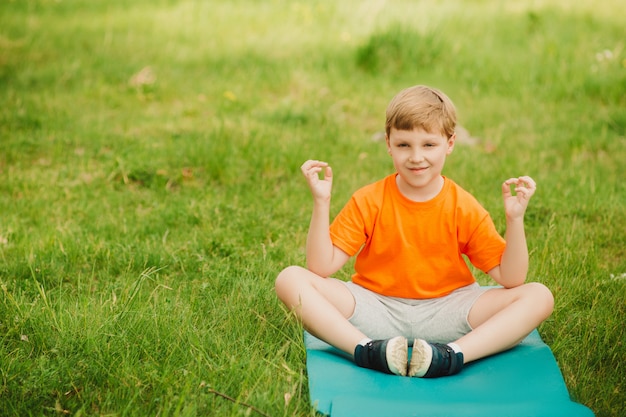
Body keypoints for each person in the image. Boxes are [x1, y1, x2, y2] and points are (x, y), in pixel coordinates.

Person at [275, 85, 554, 378]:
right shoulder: (369, 199)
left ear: (450, 143)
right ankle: (366, 350)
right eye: (404, 145)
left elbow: (511, 278)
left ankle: (452, 356)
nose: (416, 157)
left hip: (449, 309)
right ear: (388, 144)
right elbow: (320, 267)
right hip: (375, 307)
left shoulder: (463, 205)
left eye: (429, 145)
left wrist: (515, 219)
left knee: (538, 296)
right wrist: (321, 203)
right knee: (290, 279)